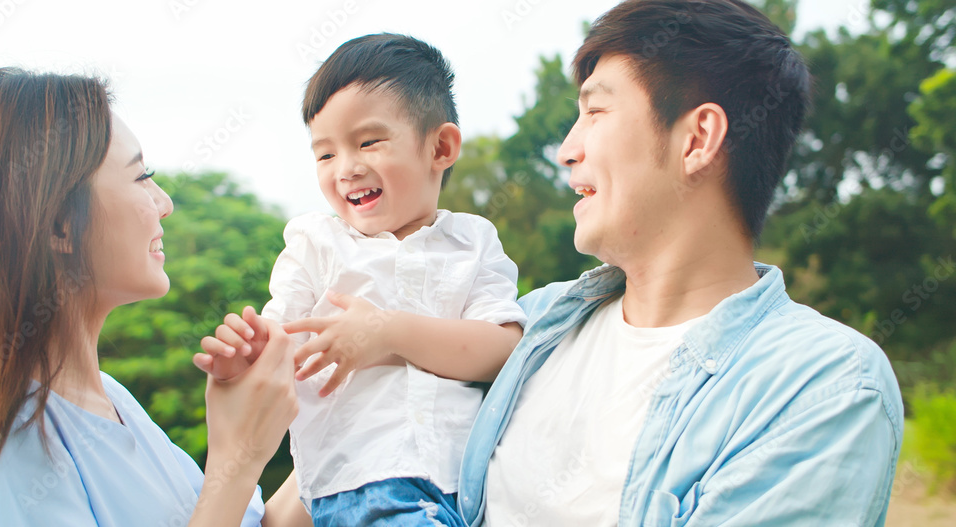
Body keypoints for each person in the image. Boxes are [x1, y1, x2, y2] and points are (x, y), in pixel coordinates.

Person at [457, 1, 904, 526]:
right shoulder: (527, 325)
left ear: (697, 139)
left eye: (595, 113)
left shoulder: (823, 386)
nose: (566, 149)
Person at [196, 34, 525, 527]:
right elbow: (279, 342)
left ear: (440, 147)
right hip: (359, 485)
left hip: (469, 489)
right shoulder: (316, 243)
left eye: (368, 142)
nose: (346, 169)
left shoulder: (472, 242)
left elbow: (502, 351)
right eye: (325, 155)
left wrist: (388, 333)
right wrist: (248, 355)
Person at [0, 68, 299, 526]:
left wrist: (353, 400)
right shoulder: (9, 438)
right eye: (142, 177)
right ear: (59, 224)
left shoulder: (111, 399)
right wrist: (238, 456)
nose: (165, 203)